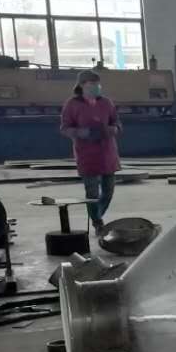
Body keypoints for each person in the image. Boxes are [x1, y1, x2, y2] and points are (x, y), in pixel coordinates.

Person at [59, 70, 122, 231]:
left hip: (107, 153)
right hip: (86, 154)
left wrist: (113, 129)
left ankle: (98, 214)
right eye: (92, 84)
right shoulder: (72, 105)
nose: (96, 87)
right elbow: (65, 128)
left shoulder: (106, 103)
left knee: (108, 192)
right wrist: (82, 133)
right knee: (92, 193)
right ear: (82, 85)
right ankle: (97, 222)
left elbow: (116, 122)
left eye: (98, 84)